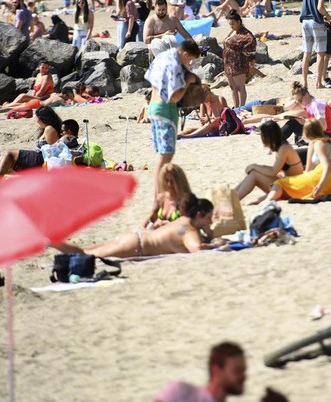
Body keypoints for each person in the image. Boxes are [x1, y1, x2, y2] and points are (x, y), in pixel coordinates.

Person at [55, 194, 225, 258]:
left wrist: (208, 233)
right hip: (135, 246)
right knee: (85, 254)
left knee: (87, 250)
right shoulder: (188, 230)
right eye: (209, 218)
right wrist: (216, 243)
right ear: (199, 215)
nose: (210, 222)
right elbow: (197, 248)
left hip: (134, 238)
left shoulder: (182, 221)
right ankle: (48, 241)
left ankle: (50, 240)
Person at [144, 40, 202, 199]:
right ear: (184, 53)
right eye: (189, 59)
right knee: (165, 158)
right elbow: (173, 97)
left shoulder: (163, 56)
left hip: (154, 107)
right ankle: (158, 197)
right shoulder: (174, 64)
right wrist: (187, 83)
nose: (189, 63)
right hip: (165, 110)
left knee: (162, 156)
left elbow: (151, 78)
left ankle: (160, 195)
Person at [0, 106, 62, 181]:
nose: (36, 120)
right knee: (5, 156)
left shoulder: (50, 129)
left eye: (37, 118)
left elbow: (52, 151)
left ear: (43, 118)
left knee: (9, 153)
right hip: (38, 157)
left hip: (41, 160)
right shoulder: (46, 128)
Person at [265, 120, 331, 201]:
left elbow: (327, 166)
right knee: (288, 184)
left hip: (322, 181)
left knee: (279, 183)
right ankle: (265, 200)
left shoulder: (319, 144)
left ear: (307, 132)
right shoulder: (327, 142)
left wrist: (320, 185)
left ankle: (267, 202)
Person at [235, 120, 303, 202]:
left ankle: (234, 199)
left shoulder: (284, 149)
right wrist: (256, 167)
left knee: (254, 174)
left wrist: (254, 166)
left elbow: (273, 171)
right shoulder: (282, 146)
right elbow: (276, 170)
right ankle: (233, 195)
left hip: (292, 188)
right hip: (287, 184)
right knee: (254, 172)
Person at [300, 0, 331, 89]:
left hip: (305, 21)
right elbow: (320, 7)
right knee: (320, 53)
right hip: (316, 22)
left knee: (307, 53)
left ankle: (304, 83)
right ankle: (318, 83)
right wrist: (329, 17)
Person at [222, 10, 257, 107]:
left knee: (240, 87)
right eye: (230, 24)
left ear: (239, 22)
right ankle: (236, 107)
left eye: (233, 24)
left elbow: (252, 46)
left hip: (239, 63)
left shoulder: (246, 34)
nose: (231, 26)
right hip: (228, 64)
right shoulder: (233, 32)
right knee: (233, 87)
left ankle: (242, 107)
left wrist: (250, 59)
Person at [146, 163, 193, 229]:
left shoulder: (186, 201)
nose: (169, 184)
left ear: (179, 182)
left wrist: (170, 225)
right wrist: (148, 222)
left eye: (172, 181)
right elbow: (152, 219)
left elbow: (189, 228)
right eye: (166, 180)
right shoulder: (161, 198)